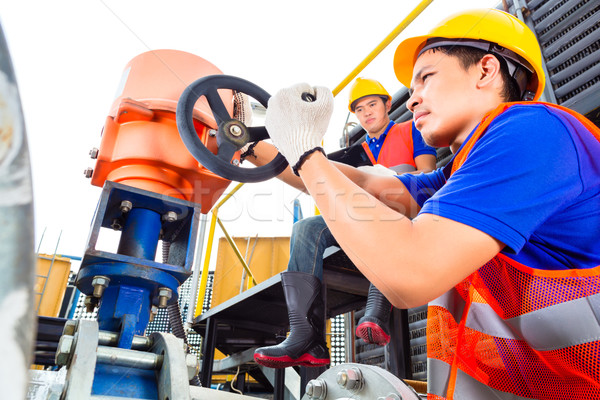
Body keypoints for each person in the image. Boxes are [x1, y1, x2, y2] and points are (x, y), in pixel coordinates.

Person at [260, 8, 600, 399]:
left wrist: (308, 155)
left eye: (426, 77)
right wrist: (260, 151)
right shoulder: (463, 173)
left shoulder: (532, 131)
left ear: (486, 70)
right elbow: (369, 184)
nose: (414, 96)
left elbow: (411, 271)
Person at [245, 78, 436, 368]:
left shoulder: (413, 130)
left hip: (401, 213)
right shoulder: (355, 152)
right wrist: (254, 152)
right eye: (359, 109)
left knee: (386, 210)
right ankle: (307, 337)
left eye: (372, 104)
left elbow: (427, 180)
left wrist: (387, 182)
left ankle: (377, 311)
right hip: (361, 216)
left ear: (387, 105)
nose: (366, 113)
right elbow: (317, 182)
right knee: (307, 228)